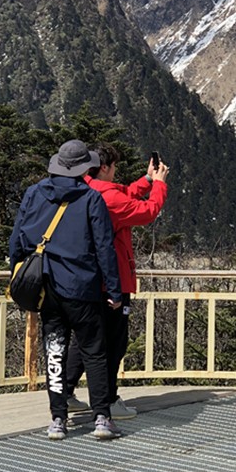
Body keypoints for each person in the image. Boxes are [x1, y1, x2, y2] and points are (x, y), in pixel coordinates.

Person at [9, 139, 124, 440]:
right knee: (94, 352)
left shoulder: (34, 193)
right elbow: (104, 248)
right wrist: (114, 290)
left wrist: (17, 274)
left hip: (46, 287)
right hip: (82, 288)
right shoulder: (91, 198)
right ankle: (102, 418)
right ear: (85, 169)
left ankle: (58, 420)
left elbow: (16, 240)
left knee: (55, 351)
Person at [66, 143, 169, 419]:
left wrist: (147, 179)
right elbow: (147, 211)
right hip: (113, 282)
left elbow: (124, 193)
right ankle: (109, 400)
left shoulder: (86, 188)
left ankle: (64, 393)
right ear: (104, 167)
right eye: (113, 167)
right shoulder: (108, 198)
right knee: (114, 343)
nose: (115, 172)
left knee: (84, 340)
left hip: (84, 280)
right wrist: (159, 184)